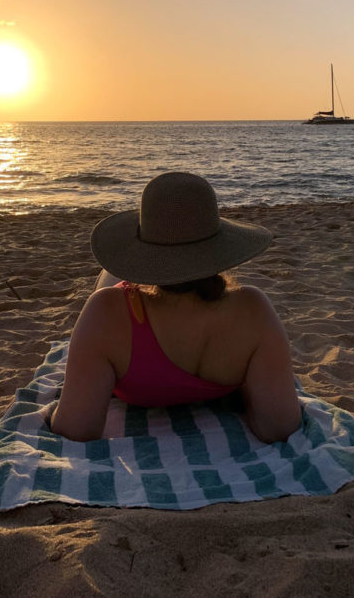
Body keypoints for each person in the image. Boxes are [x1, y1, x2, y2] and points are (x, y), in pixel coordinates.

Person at [49, 172, 302, 444]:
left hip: (123, 325)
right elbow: (278, 428)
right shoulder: (254, 309)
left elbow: (76, 429)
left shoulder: (106, 311)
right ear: (219, 245)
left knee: (108, 283)